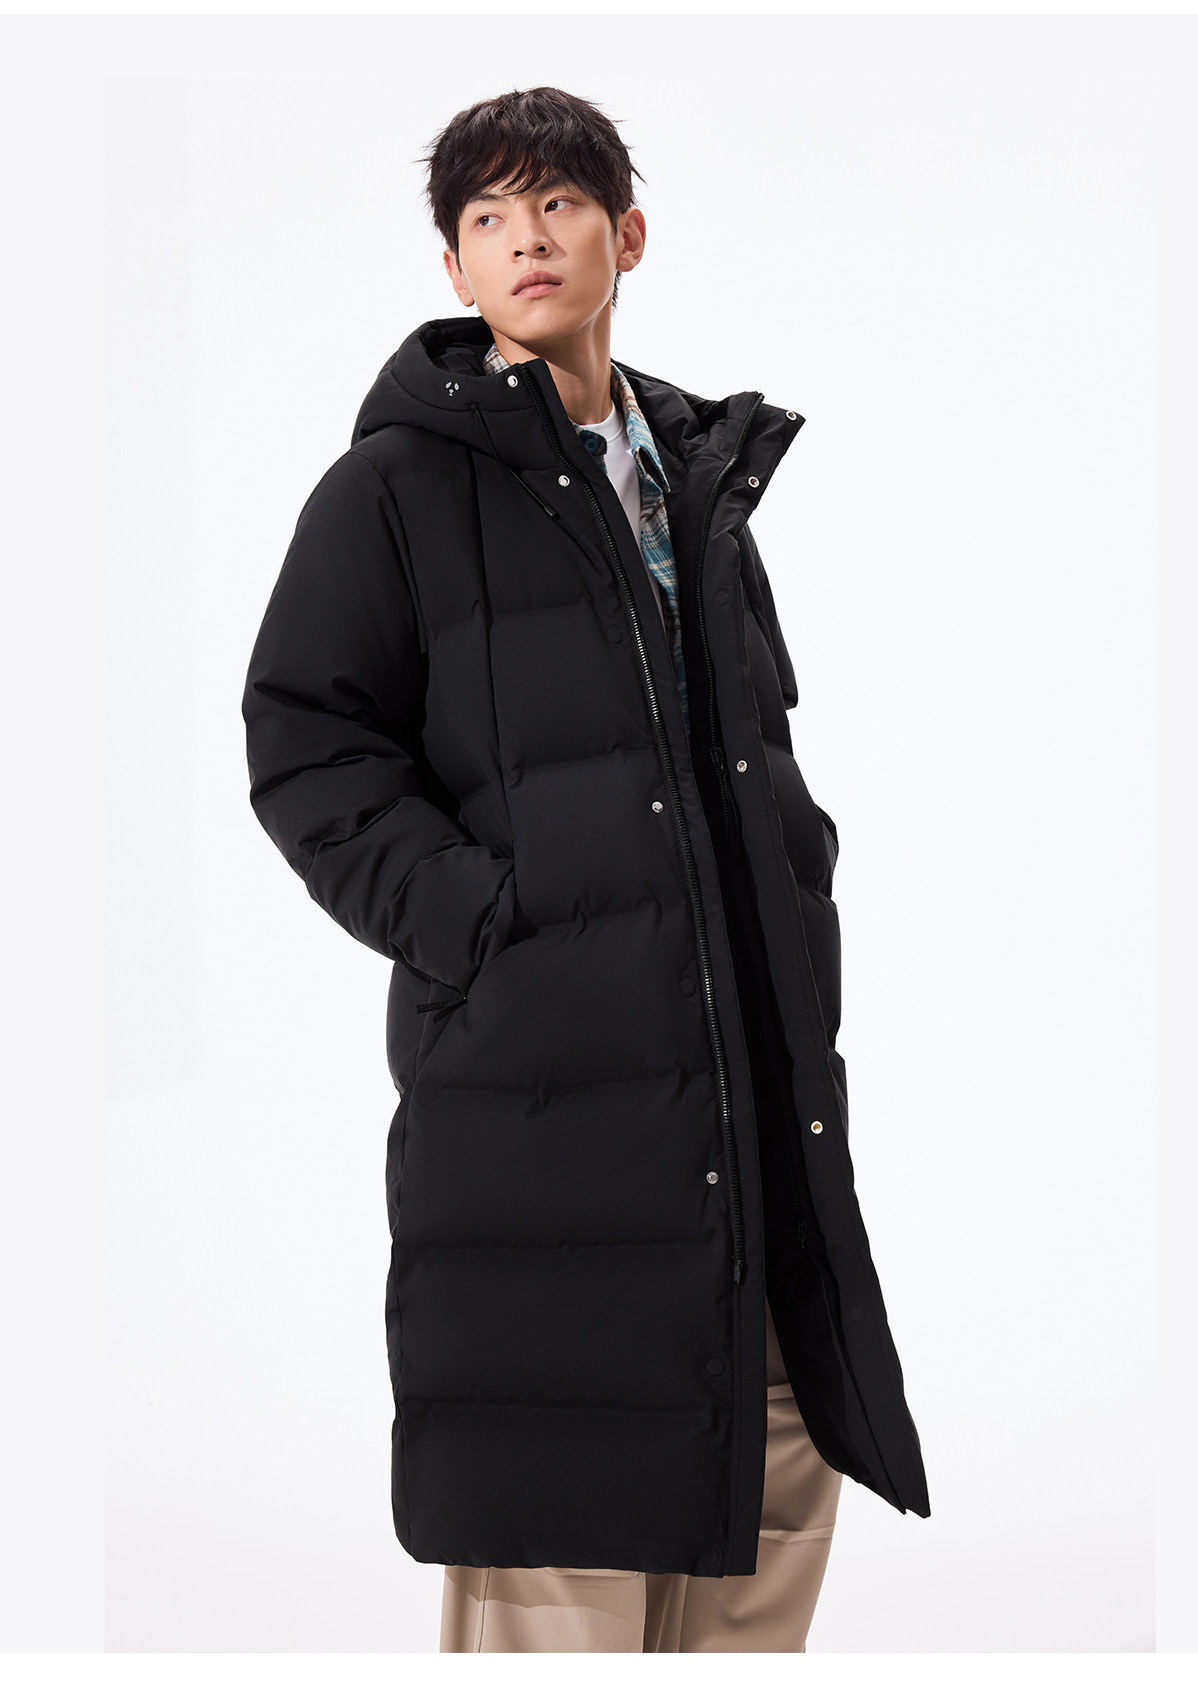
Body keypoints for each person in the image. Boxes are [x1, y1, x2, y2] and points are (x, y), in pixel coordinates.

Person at [242, 84, 929, 1655]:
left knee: (765, 1515)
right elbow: (306, 743)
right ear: (454, 267)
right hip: (538, 1115)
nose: (526, 237)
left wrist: (797, 890)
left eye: (556, 201)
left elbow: (749, 754)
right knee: (561, 1563)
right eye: (487, 216)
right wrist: (485, 921)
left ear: (628, 233)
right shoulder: (395, 492)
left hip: (745, 1109)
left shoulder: (698, 484)